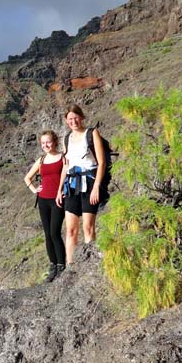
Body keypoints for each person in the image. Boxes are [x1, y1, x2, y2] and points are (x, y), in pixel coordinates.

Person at [55, 104, 106, 264]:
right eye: (70, 119)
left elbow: (102, 162)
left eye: (76, 117)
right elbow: (66, 165)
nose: (73, 121)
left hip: (89, 183)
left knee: (88, 227)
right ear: (66, 121)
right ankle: (70, 265)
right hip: (71, 185)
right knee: (70, 229)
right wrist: (59, 190)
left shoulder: (91, 133)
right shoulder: (67, 139)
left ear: (81, 117)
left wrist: (97, 186)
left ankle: (89, 264)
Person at [24, 130, 66, 282]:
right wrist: (35, 189)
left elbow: (67, 175)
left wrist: (62, 191)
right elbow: (27, 178)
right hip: (43, 200)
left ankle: (62, 265)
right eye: (43, 143)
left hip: (57, 200)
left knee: (55, 232)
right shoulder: (41, 160)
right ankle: (53, 266)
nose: (46, 145)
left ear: (54, 141)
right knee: (47, 234)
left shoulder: (63, 157)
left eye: (48, 142)